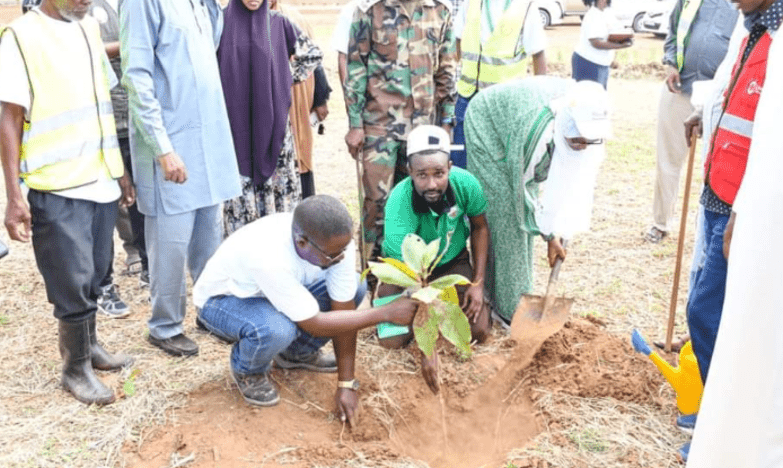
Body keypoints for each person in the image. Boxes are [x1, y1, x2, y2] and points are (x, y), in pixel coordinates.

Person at [0, 0, 134, 405]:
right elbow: (10, 119)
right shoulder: (22, 36)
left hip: (98, 177)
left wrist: (119, 171)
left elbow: (102, 103)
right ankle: (74, 369)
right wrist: (14, 196)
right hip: (57, 185)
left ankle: (91, 346)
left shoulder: (89, 27)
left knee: (96, 270)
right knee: (70, 279)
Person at [679, 0, 783, 466]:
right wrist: (706, 114)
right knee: (708, 302)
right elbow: (735, 95)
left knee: (714, 308)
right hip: (719, 190)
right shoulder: (751, 28)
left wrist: (749, 211)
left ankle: (723, 418)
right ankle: (715, 408)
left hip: (750, 206)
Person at [120, 0, 241, 357]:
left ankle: (210, 312)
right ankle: (165, 325)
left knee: (209, 236)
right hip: (172, 142)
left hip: (206, 137)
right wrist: (163, 148)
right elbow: (137, 78)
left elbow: (210, 43)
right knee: (170, 242)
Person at [193, 195, 419, 423]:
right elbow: (316, 323)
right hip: (223, 301)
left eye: (344, 249)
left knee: (355, 287)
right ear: (301, 243)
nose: (341, 257)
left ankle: (296, 354)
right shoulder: (268, 256)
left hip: (273, 294)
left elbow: (342, 310)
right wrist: (384, 313)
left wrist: (346, 383)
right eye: (333, 255)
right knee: (277, 329)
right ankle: (248, 370)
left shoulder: (335, 243)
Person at [465, 77, 612, 322]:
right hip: (487, 122)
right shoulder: (536, 134)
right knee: (505, 216)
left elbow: (571, 183)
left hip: (514, 119)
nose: (584, 146)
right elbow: (521, 194)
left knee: (516, 216)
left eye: (590, 140)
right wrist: (548, 234)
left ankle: (497, 294)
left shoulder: (586, 113)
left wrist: (559, 226)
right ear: (565, 126)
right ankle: (508, 308)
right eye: (577, 141)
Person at [345, 0, 456, 262]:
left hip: (423, 127)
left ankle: (414, 269)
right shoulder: (369, 9)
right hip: (378, 125)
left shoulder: (440, 10)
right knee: (375, 202)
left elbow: (447, 69)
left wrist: (446, 121)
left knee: (420, 198)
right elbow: (355, 69)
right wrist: (354, 124)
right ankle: (370, 271)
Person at [377, 125, 490, 392]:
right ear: (409, 171)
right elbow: (410, 272)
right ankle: (417, 313)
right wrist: (427, 349)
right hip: (410, 274)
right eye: (422, 175)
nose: (431, 184)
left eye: (439, 174)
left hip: (451, 263)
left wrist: (478, 284)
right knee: (391, 340)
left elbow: (480, 227)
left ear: (449, 167)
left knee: (479, 331)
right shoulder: (398, 203)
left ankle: (446, 310)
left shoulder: (466, 184)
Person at [644, 0, 739, 245]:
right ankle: (660, 223)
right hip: (680, 87)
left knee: (716, 166)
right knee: (667, 161)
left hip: (723, 95)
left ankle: (705, 230)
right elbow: (673, 29)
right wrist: (670, 61)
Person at [218, 0, 322, 234]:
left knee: (278, 192)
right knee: (240, 184)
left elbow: (312, 54)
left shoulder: (278, 23)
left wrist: (285, 78)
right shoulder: (221, 22)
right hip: (235, 121)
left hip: (274, 121)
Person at [89, 0, 152, 318]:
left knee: (140, 189)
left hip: (135, 110)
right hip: (104, 112)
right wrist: (132, 46)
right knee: (113, 192)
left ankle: (144, 259)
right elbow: (87, 49)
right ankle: (119, 261)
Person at [452, 0, 548, 168]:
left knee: (499, 161)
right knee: (461, 158)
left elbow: (538, 54)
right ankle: (461, 202)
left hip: (504, 101)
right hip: (467, 96)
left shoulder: (525, 7)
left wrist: (540, 98)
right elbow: (457, 39)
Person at [263, 0, 332, 198]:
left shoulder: (291, 18)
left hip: (294, 105)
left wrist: (321, 98)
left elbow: (314, 59)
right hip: (259, 116)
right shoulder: (236, 23)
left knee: (299, 160)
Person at [331, 0, 386, 89]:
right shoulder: (351, 11)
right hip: (365, 91)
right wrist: (349, 99)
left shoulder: (397, 9)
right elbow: (343, 56)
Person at [571, 0, 632, 89]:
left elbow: (612, 33)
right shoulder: (593, 15)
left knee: (598, 98)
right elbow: (596, 42)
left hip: (600, 63)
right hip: (588, 62)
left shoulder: (604, 14)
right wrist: (621, 46)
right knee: (589, 98)